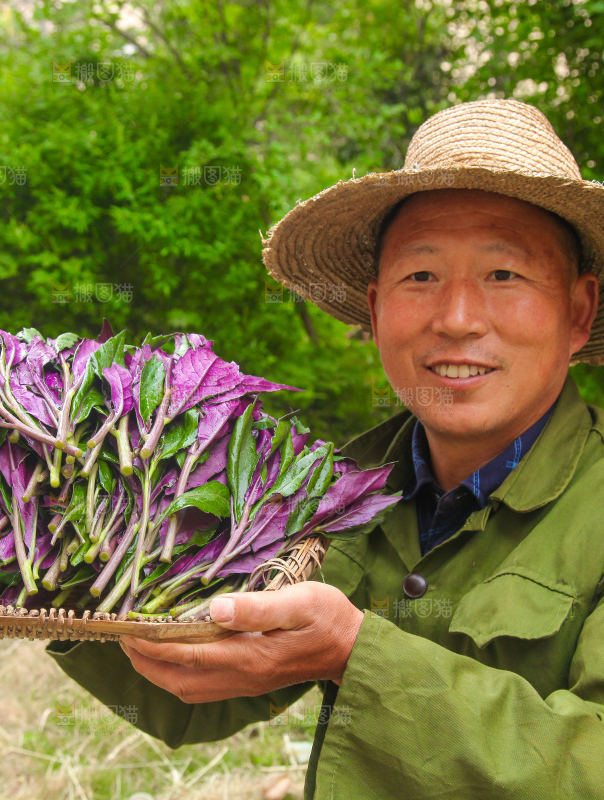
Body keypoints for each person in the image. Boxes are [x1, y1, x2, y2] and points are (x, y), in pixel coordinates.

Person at [47, 98, 604, 799]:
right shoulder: (338, 490)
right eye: (421, 277)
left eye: (504, 276)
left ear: (578, 312)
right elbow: (199, 688)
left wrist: (354, 653)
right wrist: (56, 545)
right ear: (374, 310)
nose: (458, 319)